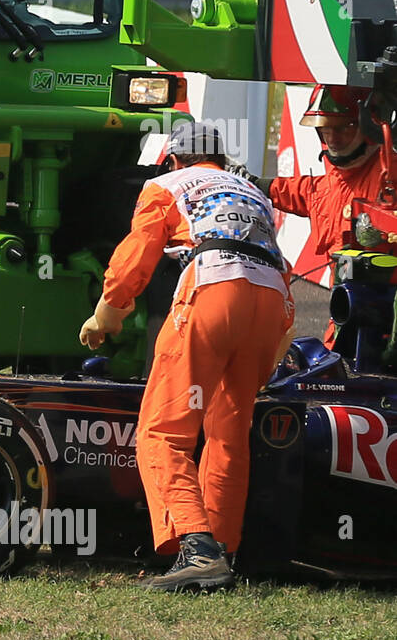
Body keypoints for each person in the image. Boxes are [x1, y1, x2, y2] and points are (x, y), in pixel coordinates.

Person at [80, 122, 294, 592]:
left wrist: (108, 312)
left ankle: (197, 550)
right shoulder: (250, 192)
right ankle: (222, 551)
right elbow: (280, 261)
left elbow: (136, 255)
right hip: (272, 301)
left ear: (173, 160)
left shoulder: (166, 184)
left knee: (162, 432)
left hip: (214, 290)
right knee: (228, 435)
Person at [259, 84, 392, 343]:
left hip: (385, 309)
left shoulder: (389, 175)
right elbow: (302, 192)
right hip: (347, 308)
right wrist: (254, 183)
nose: (332, 138)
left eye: (342, 128)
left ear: (368, 126)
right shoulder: (334, 180)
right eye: (325, 130)